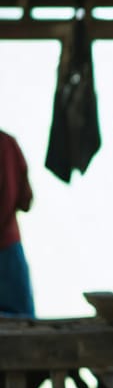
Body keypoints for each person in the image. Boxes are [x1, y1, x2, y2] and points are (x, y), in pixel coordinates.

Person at [0, 129, 35, 319]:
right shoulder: (7, 144)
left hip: (7, 250)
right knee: (24, 329)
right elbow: (25, 199)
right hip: (8, 248)